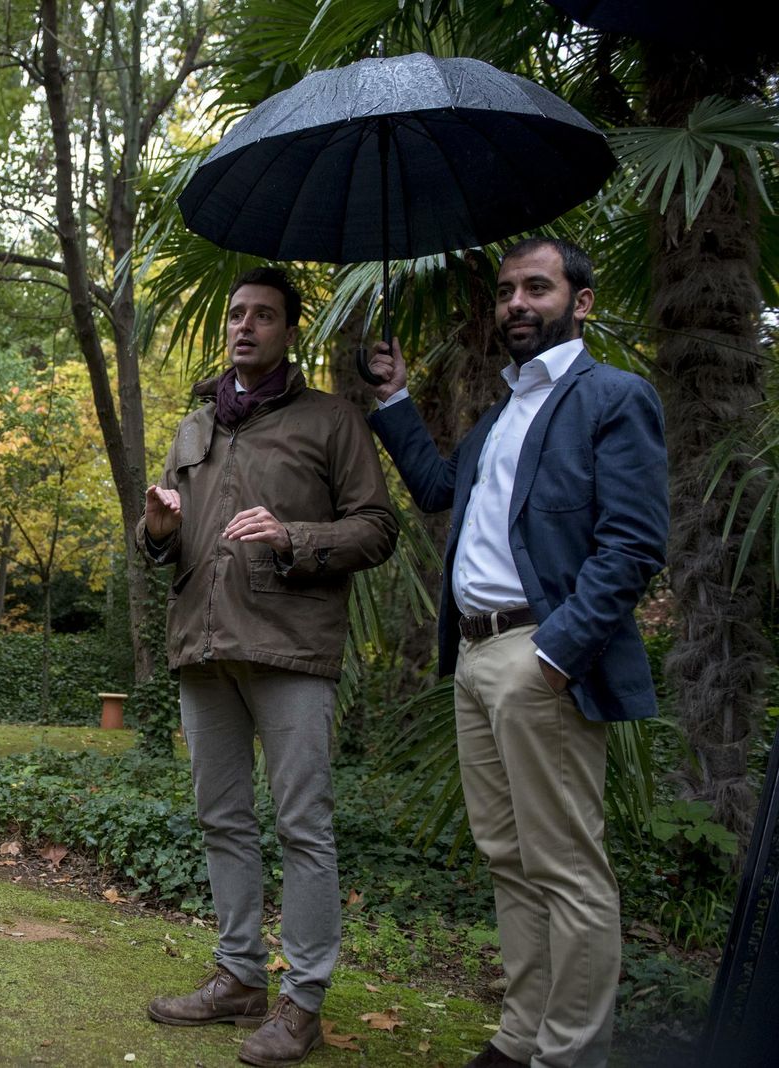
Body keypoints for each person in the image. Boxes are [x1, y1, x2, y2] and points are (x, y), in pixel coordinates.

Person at [366, 237, 668, 1068]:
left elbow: (635, 545)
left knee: (567, 868)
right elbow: (436, 490)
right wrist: (394, 399)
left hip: (543, 658)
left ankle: (568, 1054)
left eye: (537, 287)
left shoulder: (613, 398)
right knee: (508, 858)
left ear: (583, 302)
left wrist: (558, 654)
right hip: (473, 659)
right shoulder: (502, 416)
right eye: (505, 292)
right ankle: (521, 1035)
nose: (515, 304)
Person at [140, 267, 397, 1067]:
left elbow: (378, 527)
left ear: (290, 330)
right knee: (222, 818)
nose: (244, 326)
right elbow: (166, 543)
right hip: (203, 648)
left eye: (263, 315)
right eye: (235, 314)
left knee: (303, 826)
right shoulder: (194, 428)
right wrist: (153, 531)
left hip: (291, 647)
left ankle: (304, 999)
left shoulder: (331, 420)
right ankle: (239, 976)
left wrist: (296, 538)